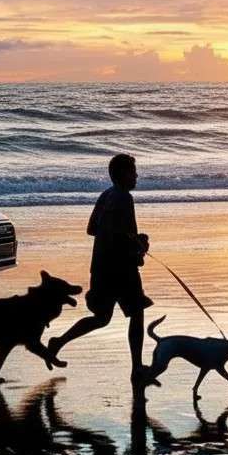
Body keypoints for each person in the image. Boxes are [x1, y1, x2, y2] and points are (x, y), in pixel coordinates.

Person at [48, 154, 153, 381]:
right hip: (121, 269)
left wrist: (129, 238)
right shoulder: (124, 198)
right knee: (137, 313)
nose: (136, 176)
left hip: (101, 267)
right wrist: (138, 243)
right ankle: (137, 368)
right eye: (133, 172)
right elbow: (122, 236)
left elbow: (92, 229)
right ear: (123, 174)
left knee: (102, 318)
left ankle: (59, 341)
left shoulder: (106, 195)